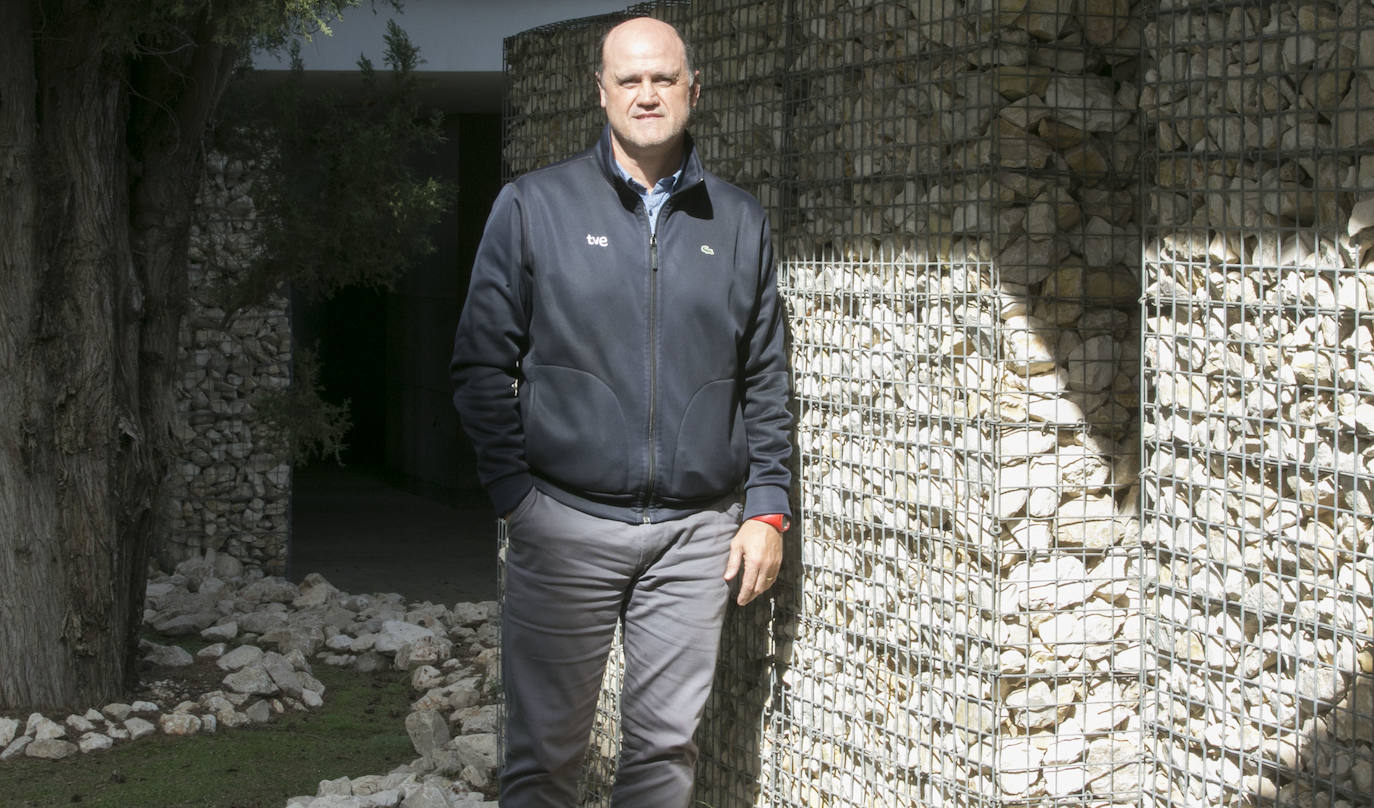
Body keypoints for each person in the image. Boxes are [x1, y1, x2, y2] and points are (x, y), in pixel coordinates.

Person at [450, 16, 792, 807]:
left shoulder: (738, 222)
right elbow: (477, 364)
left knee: (664, 755)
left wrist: (766, 507)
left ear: (693, 91)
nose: (648, 94)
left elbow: (766, 376)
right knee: (544, 758)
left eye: (664, 79)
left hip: (694, 536)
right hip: (563, 524)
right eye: (630, 79)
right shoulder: (533, 205)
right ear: (600, 91)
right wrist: (516, 498)